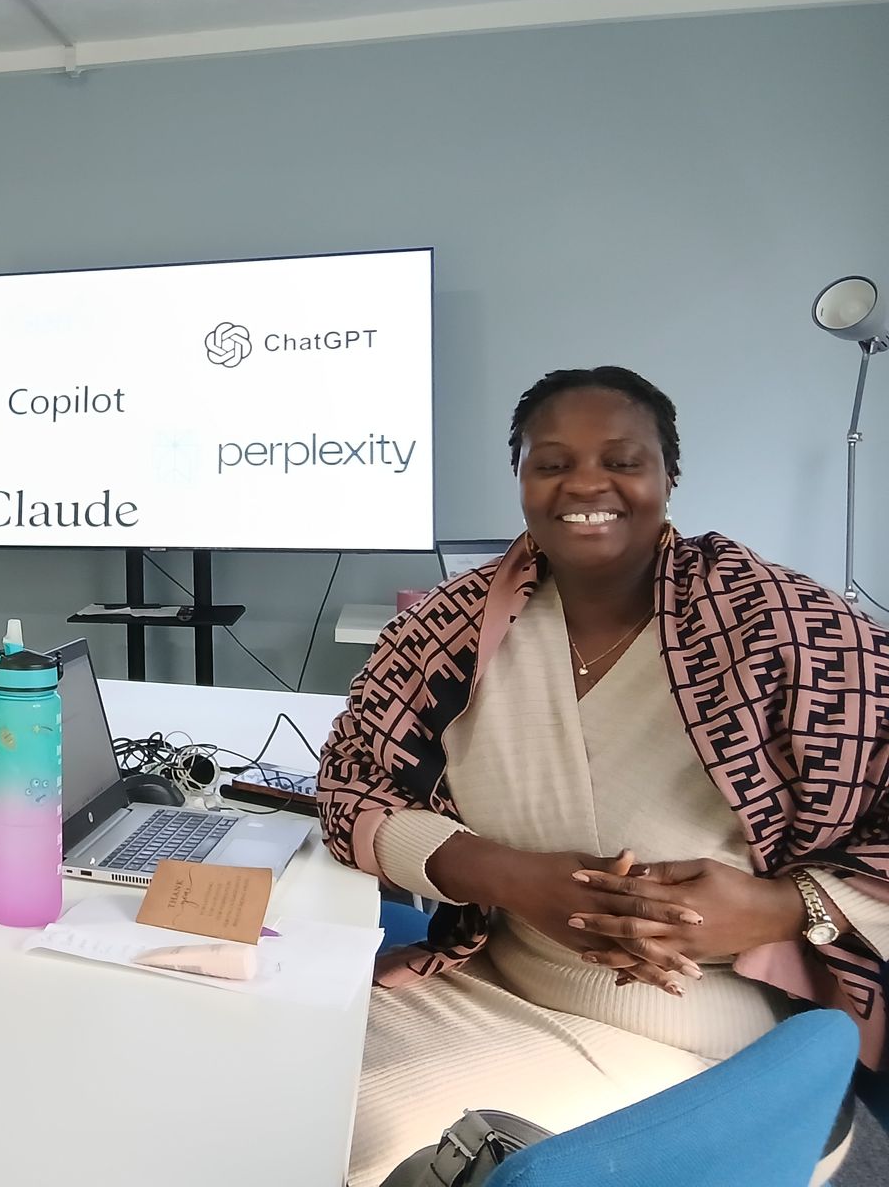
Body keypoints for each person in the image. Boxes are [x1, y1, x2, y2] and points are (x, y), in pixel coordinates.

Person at [319, 366, 889, 1186]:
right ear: (520, 480)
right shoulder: (444, 628)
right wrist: (512, 879)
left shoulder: (787, 628)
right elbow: (350, 787)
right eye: (551, 463)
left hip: (708, 1036)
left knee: (354, 1142)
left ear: (668, 477)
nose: (586, 483)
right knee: (269, 1071)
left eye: (622, 460)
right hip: (493, 981)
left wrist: (780, 907)